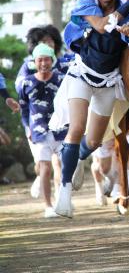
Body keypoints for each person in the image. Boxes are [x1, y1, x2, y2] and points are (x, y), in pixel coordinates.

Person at [54, 0, 129, 218]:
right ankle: (64, 193)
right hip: (82, 74)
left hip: (109, 81)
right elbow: (101, 25)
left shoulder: (128, 4)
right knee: (76, 129)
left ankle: (77, 159)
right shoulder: (86, 0)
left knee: (92, 141)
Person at [18, 43, 67, 218]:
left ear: (52, 60)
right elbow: (23, 108)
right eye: (40, 60)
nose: (44, 63)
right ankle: (48, 206)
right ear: (34, 62)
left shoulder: (62, 79)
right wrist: (26, 127)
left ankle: (64, 200)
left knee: (66, 166)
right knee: (45, 168)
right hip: (38, 131)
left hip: (61, 130)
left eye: (47, 59)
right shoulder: (26, 83)